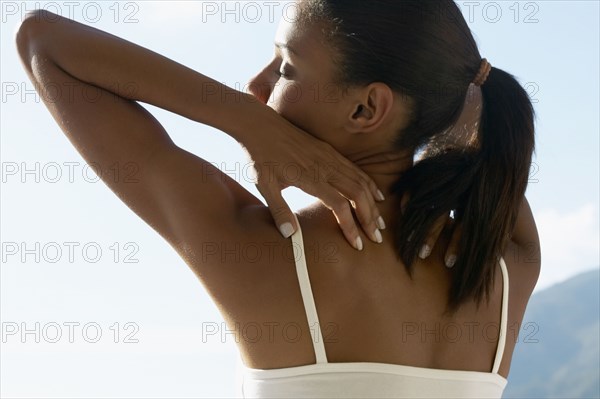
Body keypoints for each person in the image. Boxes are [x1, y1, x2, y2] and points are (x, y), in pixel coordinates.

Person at [15, 1, 541, 397]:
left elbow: (43, 43)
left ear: (365, 110)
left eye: (286, 67)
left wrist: (247, 124)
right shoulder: (509, 260)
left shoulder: (256, 243)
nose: (255, 84)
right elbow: (470, 96)